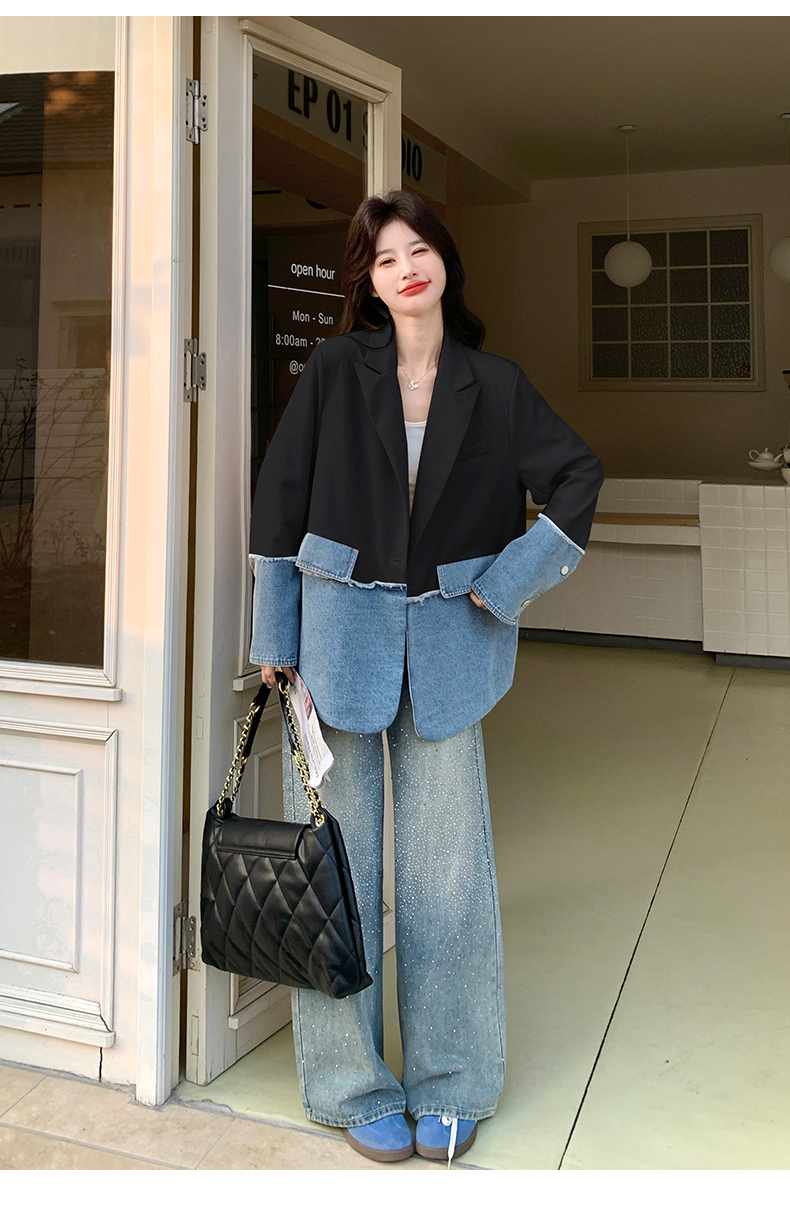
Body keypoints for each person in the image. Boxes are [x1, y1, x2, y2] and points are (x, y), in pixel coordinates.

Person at [249, 189, 604, 1166]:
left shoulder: (495, 383)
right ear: (368, 282)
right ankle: (347, 1082)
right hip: (336, 646)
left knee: (448, 875)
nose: (405, 268)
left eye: (418, 250)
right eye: (384, 258)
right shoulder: (335, 369)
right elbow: (280, 497)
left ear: (444, 260)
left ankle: (452, 1078)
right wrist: (273, 632)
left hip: (452, 650)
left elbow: (576, 476)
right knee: (337, 870)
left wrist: (507, 582)